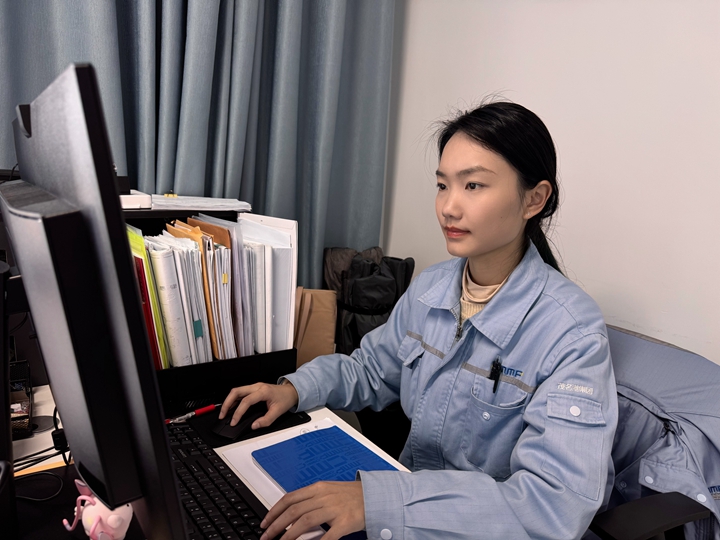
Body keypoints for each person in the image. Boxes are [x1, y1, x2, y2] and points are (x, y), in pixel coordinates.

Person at [220, 102, 619, 540]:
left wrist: (379, 502)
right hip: (403, 511)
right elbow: (371, 369)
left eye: (473, 185)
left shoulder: (571, 332)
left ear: (534, 199)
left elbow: (553, 506)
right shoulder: (432, 286)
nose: (448, 207)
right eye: (442, 185)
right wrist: (295, 389)